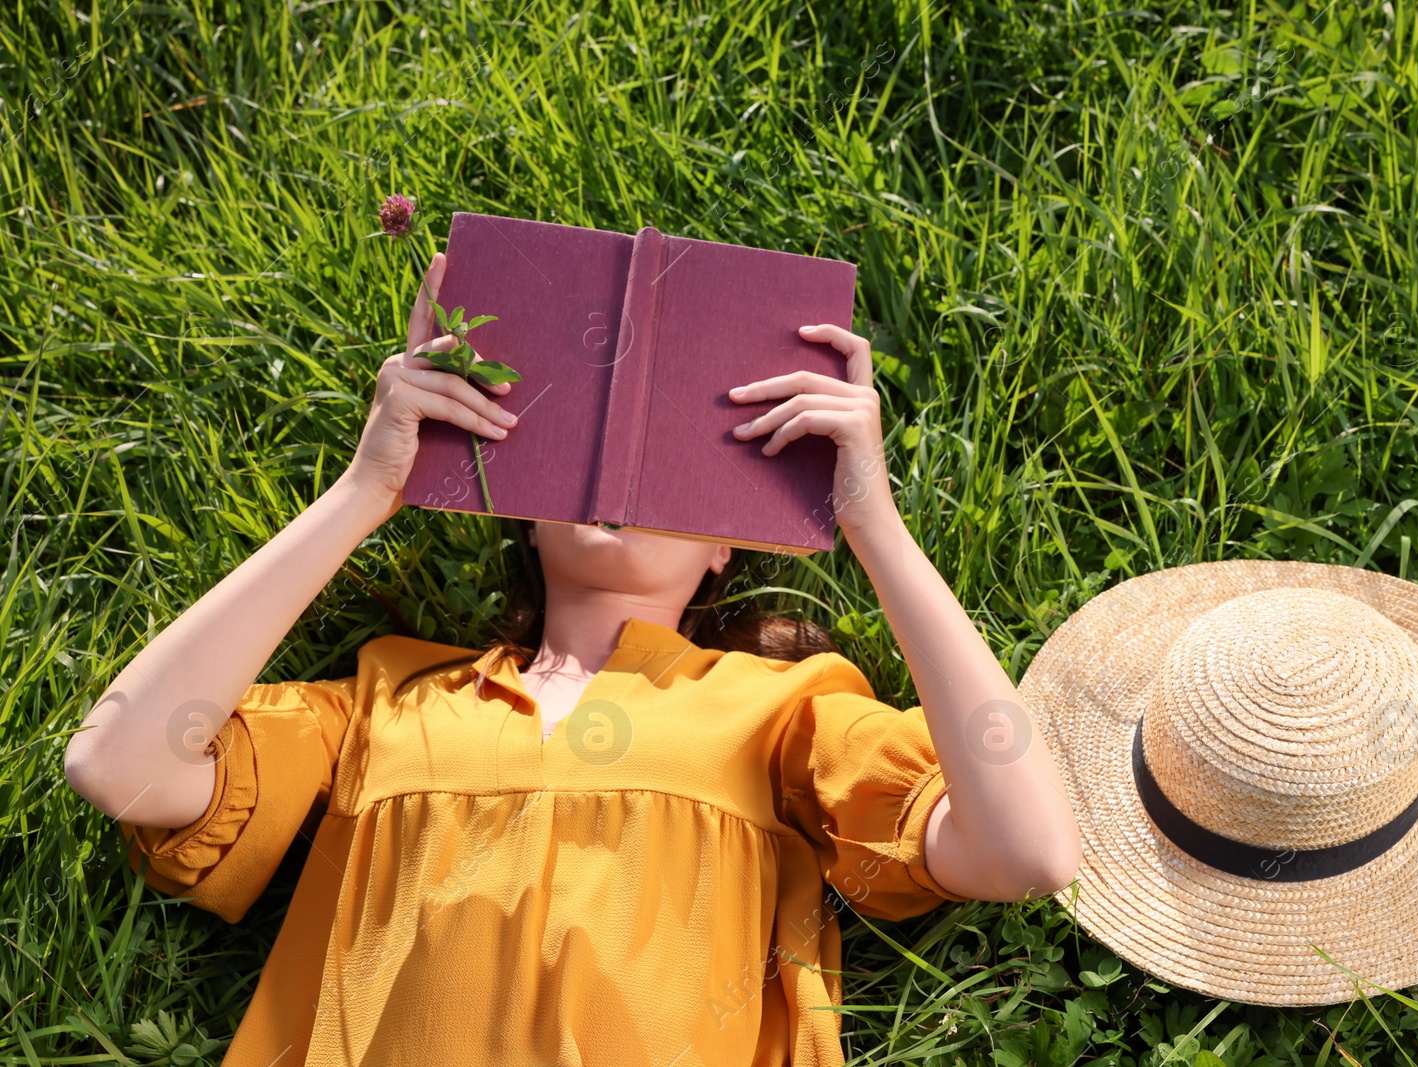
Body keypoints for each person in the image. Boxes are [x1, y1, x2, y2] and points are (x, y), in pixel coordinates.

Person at [63, 251, 1081, 1066]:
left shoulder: (782, 711)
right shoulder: (389, 699)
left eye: (673, 468)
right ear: (526, 510)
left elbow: (1027, 850)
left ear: (727, 542)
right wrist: (361, 493)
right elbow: (118, 764)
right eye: (587, 456)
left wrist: (871, 525)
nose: (623, 482)